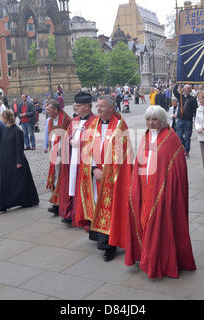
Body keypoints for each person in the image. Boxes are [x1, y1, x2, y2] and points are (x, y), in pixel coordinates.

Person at [125, 105, 196, 279]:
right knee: (145, 223)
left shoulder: (171, 139)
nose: (151, 123)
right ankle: (147, 256)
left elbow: (176, 170)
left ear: (162, 120)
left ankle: (158, 261)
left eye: (155, 119)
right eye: (148, 119)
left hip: (162, 190)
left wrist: (166, 189)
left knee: (159, 225)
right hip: (145, 189)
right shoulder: (146, 136)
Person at [77, 95, 133, 261]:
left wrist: (108, 173)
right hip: (95, 174)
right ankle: (99, 237)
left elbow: (123, 155)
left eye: (102, 106)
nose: (98, 109)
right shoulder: (93, 124)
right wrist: (94, 169)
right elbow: (88, 148)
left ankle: (111, 244)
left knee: (111, 208)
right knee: (96, 204)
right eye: (98, 106)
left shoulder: (120, 127)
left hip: (112, 176)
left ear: (111, 108)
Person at [58, 92, 97, 225]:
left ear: (87, 106)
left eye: (78, 105)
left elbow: (96, 142)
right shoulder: (74, 121)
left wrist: (80, 143)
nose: (75, 107)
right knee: (72, 186)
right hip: (72, 160)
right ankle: (71, 213)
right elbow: (67, 137)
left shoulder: (95, 121)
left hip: (85, 162)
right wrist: (69, 142)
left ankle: (85, 216)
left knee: (85, 189)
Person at [0, 110, 39, 212]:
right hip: (6, 159)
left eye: (2, 117)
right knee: (6, 181)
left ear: (6, 118)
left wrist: (19, 162)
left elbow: (19, 148)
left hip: (16, 160)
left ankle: (25, 201)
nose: (1, 119)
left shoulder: (17, 131)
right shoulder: (5, 130)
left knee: (20, 183)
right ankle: (3, 204)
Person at [44, 99, 71, 216]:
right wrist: (46, 146)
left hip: (63, 154)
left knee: (60, 177)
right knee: (54, 176)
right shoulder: (49, 121)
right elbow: (47, 133)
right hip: (54, 153)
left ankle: (59, 204)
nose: (47, 111)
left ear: (56, 110)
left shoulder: (66, 120)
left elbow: (70, 135)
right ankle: (56, 202)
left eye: (49, 109)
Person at [173, 84, 198, 159]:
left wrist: (195, 121)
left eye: (190, 88)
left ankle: (186, 151)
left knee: (187, 137)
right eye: (187, 88)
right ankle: (183, 148)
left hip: (188, 120)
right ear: (184, 89)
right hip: (180, 120)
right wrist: (177, 84)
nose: (189, 89)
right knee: (179, 136)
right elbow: (174, 91)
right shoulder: (180, 97)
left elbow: (195, 110)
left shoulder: (193, 99)